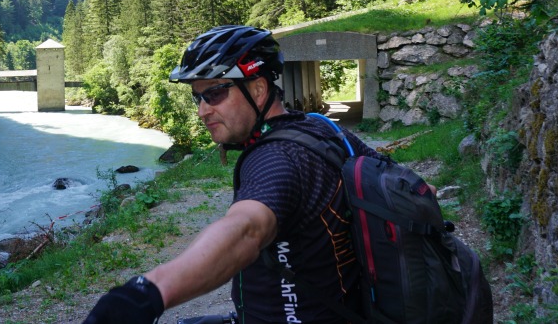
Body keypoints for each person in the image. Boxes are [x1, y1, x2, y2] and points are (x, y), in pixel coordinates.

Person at [83, 25, 381, 324]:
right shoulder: (321, 127)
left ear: (258, 90)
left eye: (214, 93)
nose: (202, 111)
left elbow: (246, 229)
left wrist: (146, 293)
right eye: (198, 98)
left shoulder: (276, 157)